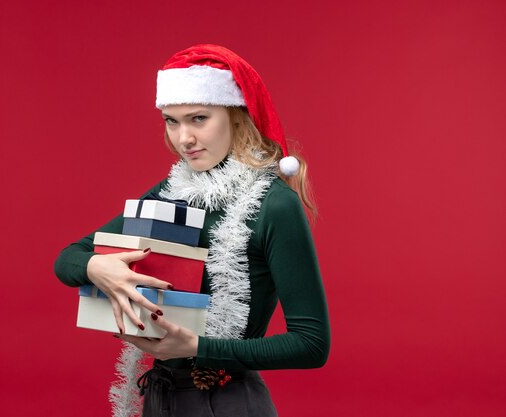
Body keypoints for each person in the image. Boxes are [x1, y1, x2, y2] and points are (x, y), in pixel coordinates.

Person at [54, 44, 330, 417]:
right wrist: (97, 269)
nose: (183, 138)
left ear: (235, 117)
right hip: (160, 398)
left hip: (227, 401)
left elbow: (311, 345)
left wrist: (196, 346)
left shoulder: (274, 204)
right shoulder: (170, 194)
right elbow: (68, 258)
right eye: (171, 120)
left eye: (198, 118)